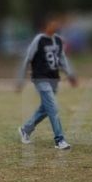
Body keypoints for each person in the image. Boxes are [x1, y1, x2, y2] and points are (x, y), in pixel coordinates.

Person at [16, 20, 77, 150]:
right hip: (40, 78)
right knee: (53, 107)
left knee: (45, 108)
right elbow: (28, 58)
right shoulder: (39, 40)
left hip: (53, 79)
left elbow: (62, 59)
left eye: (56, 23)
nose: (54, 26)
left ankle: (25, 130)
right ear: (45, 26)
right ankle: (59, 140)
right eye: (51, 23)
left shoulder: (58, 40)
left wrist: (70, 74)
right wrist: (20, 79)